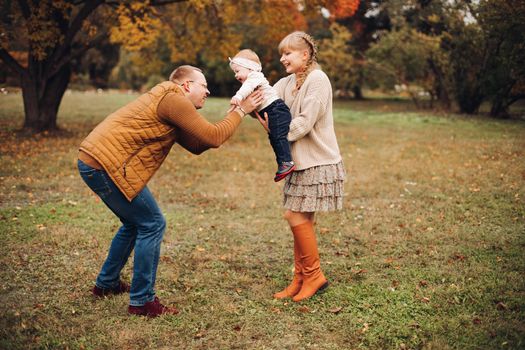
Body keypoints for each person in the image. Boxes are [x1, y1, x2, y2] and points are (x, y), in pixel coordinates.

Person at [77, 65, 263, 317]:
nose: (208, 91)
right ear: (186, 85)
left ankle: (106, 284)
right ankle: (142, 302)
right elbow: (213, 136)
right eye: (203, 85)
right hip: (106, 165)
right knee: (152, 223)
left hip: (95, 161)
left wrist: (235, 112)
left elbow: (199, 144)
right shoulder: (173, 99)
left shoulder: (171, 105)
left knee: (134, 223)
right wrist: (241, 110)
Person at [256, 32, 346, 302]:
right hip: (297, 162)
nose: (282, 58)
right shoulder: (286, 83)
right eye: (282, 53)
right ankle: (300, 278)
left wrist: (276, 130)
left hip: (317, 161)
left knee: (294, 217)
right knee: (302, 220)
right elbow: (267, 103)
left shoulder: (318, 80)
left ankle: (315, 275)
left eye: (288, 53)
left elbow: (304, 123)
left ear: (305, 55)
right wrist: (246, 90)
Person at [229, 49, 296, 182]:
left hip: (276, 109)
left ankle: (287, 162)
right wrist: (237, 106)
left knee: (278, 136)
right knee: (273, 137)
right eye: (234, 73)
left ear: (250, 68)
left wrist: (238, 96)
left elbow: (246, 89)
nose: (236, 76)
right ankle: (283, 163)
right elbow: (250, 102)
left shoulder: (255, 77)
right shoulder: (251, 81)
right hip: (271, 111)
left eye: (237, 71)